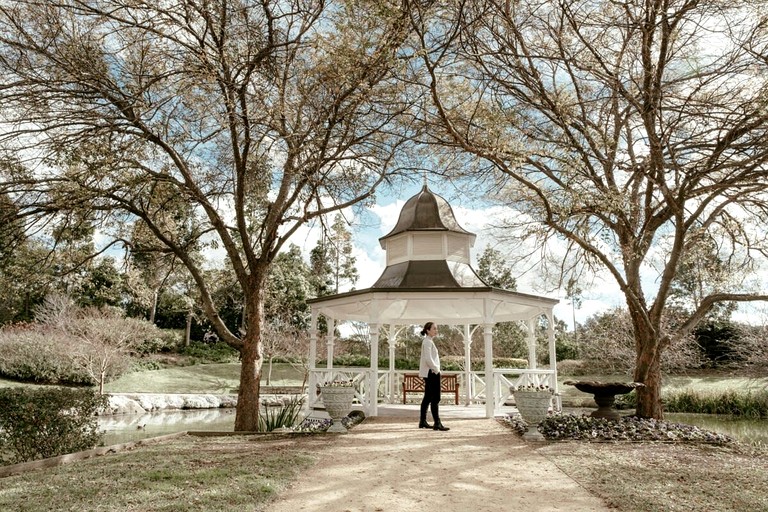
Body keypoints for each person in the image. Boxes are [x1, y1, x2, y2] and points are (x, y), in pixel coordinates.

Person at [418, 321, 449, 431]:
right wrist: (437, 370)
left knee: (427, 398)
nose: (436, 330)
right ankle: (437, 423)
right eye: (434, 328)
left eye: (436, 328)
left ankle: (422, 421)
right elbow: (428, 359)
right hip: (431, 373)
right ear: (428, 330)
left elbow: (430, 358)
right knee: (436, 398)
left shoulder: (429, 341)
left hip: (430, 372)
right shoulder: (427, 342)